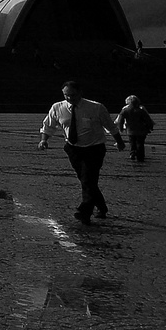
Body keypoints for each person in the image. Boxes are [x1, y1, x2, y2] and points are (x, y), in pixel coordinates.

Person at [39, 80, 124, 224]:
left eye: (72, 95)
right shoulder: (57, 107)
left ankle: (85, 211)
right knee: (86, 179)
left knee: (87, 178)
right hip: (73, 148)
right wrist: (44, 140)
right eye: (66, 95)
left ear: (80, 93)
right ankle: (101, 207)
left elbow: (110, 126)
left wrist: (120, 141)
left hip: (94, 148)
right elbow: (48, 125)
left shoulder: (96, 108)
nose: (69, 98)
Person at [118, 95, 154, 162]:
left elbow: (121, 120)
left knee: (132, 142)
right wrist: (150, 127)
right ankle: (140, 156)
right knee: (140, 143)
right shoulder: (141, 111)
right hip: (141, 130)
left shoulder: (125, 110)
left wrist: (121, 128)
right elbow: (148, 120)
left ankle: (132, 153)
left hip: (130, 130)